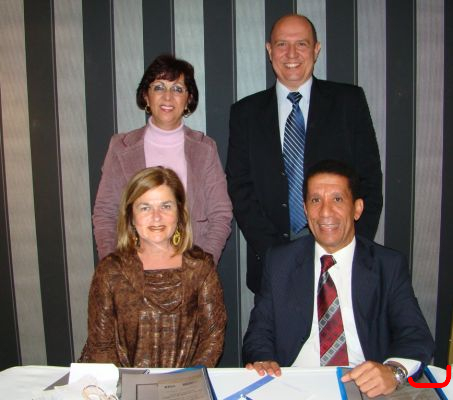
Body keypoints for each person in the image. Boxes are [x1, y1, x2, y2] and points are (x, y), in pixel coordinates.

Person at [242, 160, 434, 398]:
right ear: (305, 209)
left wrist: (393, 372)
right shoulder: (280, 262)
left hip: (364, 386)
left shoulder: (387, 266)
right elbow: (258, 333)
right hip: (294, 385)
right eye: (315, 200)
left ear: (357, 208)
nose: (325, 212)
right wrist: (264, 361)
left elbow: (416, 336)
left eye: (337, 199)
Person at [226, 14, 382, 293]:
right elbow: (240, 188)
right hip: (271, 264)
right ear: (269, 50)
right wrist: (276, 254)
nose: (291, 54)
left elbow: (369, 181)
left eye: (302, 44)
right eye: (282, 44)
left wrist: (350, 248)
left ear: (316, 49)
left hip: (342, 261)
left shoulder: (349, 102)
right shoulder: (245, 113)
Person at [80, 166, 227, 367]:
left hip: (185, 383)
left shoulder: (201, 267)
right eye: (145, 207)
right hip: (124, 382)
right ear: (131, 216)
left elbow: (212, 338)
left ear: (179, 212)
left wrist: (186, 381)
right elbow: (101, 347)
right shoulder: (110, 271)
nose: (156, 217)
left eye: (166, 206)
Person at [93, 54, 232, 264]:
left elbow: (221, 214)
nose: (168, 97)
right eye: (159, 87)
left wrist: (202, 266)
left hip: (191, 266)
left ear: (188, 99)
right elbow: (105, 213)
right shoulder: (120, 147)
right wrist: (114, 267)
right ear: (146, 96)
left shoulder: (205, 149)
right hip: (133, 269)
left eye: (177, 89)